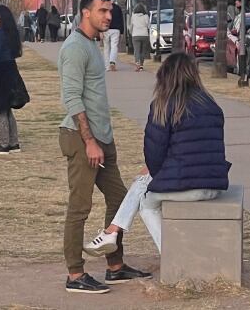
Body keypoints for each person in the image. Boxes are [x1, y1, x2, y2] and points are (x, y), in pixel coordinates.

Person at [86, 52, 230, 257]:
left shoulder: (164, 105)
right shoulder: (210, 104)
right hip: (214, 184)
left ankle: (172, 256)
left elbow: (154, 153)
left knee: (146, 203)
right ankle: (111, 232)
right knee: (145, 179)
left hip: (189, 187)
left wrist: (152, 171)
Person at [60, 0, 151, 294]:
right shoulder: (74, 48)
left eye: (110, 11)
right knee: (80, 207)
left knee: (120, 199)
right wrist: (89, 141)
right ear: (86, 12)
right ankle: (75, 274)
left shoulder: (91, 44)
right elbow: (72, 98)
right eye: (102, 11)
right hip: (82, 138)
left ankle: (115, 266)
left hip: (102, 138)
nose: (108, 16)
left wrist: (104, 139)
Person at [0, 4, 24, 154]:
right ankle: (13, 142)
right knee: (7, 108)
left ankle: (4, 143)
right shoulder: (9, 33)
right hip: (9, 70)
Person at [130, 3, 151, 71]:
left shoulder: (133, 16)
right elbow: (148, 26)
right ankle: (141, 65)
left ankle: (137, 63)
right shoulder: (146, 16)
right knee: (143, 51)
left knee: (137, 50)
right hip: (144, 35)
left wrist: (131, 32)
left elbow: (131, 26)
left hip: (135, 35)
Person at [105, 1, 124, 71]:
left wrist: (100, 31)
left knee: (106, 47)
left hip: (106, 29)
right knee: (114, 46)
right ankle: (112, 61)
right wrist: (122, 31)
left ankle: (107, 66)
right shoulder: (118, 8)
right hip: (116, 29)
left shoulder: (105, 8)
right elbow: (121, 20)